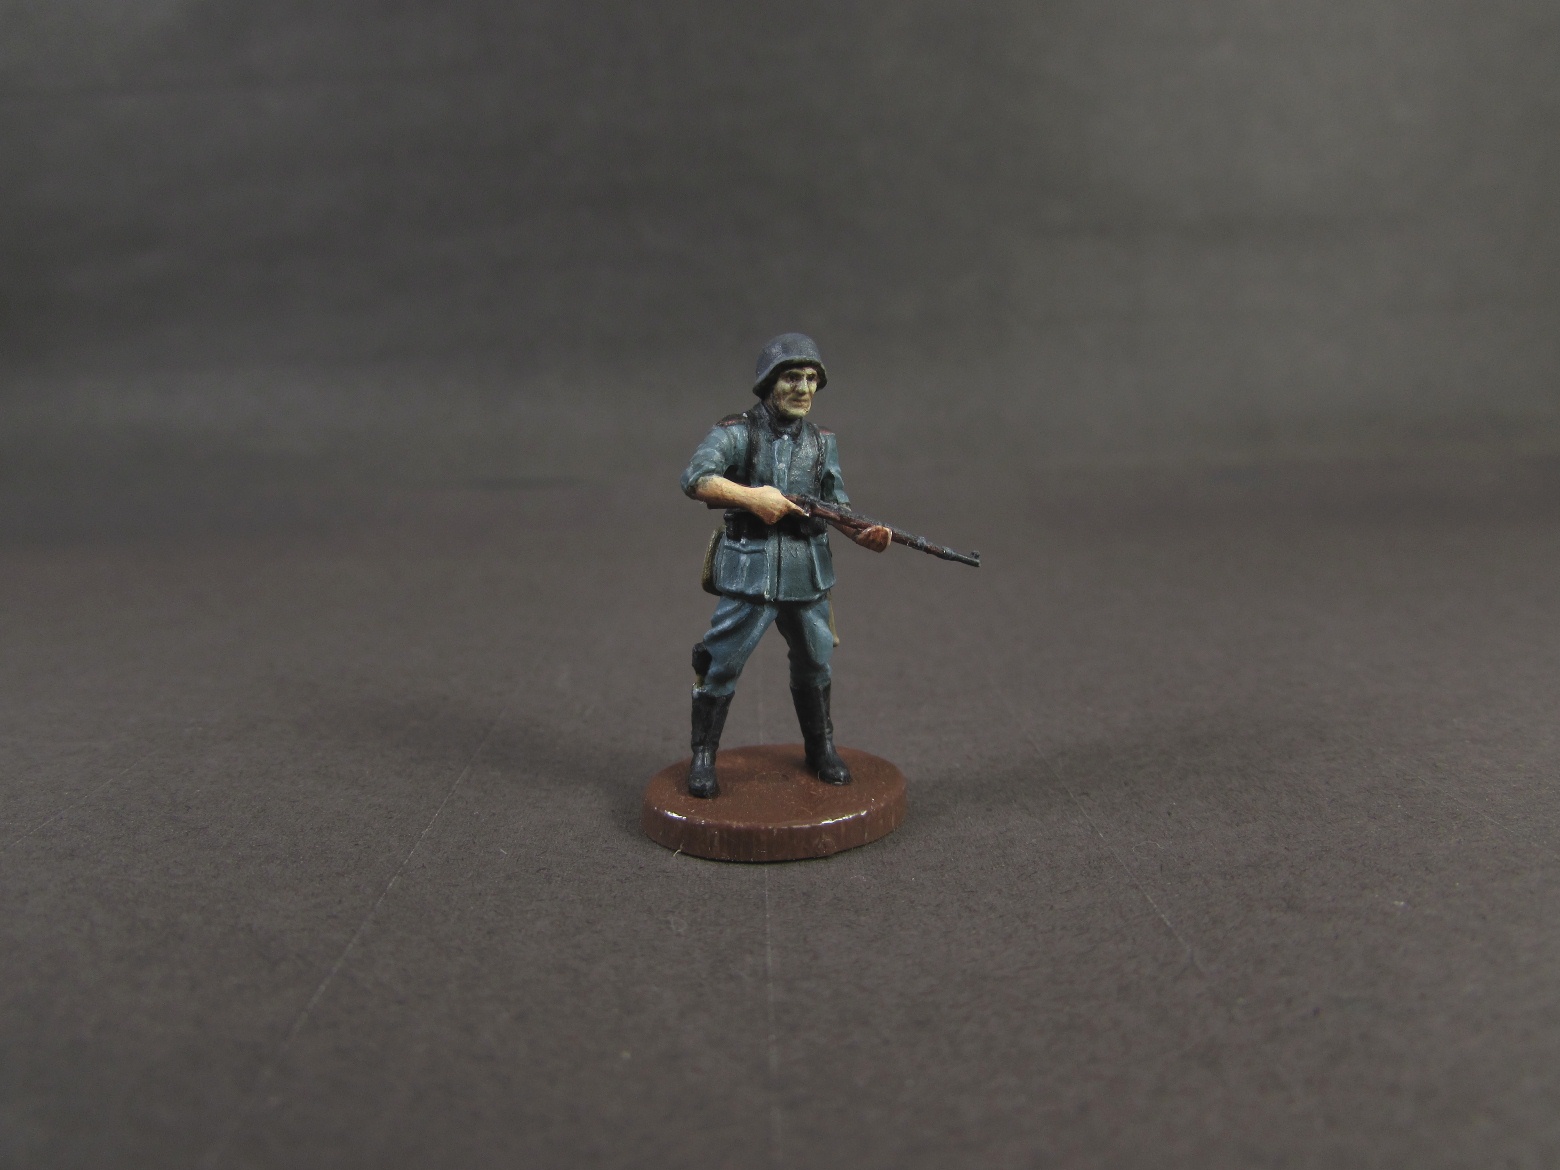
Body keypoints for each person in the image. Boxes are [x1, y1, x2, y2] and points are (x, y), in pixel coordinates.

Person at [679, 333, 890, 799]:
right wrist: (752, 497)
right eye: (792, 377)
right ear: (769, 382)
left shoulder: (822, 442)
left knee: (816, 662)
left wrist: (860, 533)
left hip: (805, 574)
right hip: (749, 572)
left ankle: (821, 747)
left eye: (811, 379)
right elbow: (696, 478)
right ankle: (703, 755)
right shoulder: (737, 432)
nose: (804, 388)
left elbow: (836, 502)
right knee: (720, 663)